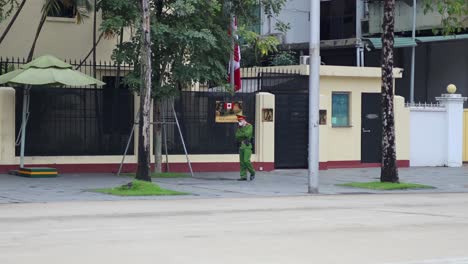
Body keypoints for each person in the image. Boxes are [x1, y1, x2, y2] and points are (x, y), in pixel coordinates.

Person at [235, 115, 255, 181]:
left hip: (247, 146)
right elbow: (237, 136)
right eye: (238, 121)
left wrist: (241, 134)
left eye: (240, 121)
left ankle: (252, 172)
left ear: (244, 120)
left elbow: (247, 134)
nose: (239, 122)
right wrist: (242, 134)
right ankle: (243, 176)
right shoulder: (239, 128)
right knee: (242, 162)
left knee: (246, 160)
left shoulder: (249, 126)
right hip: (241, 146)